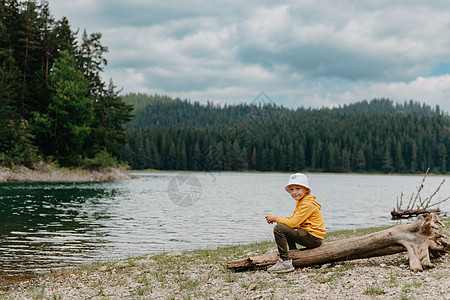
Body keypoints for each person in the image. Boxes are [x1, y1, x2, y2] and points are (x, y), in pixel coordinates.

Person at [265, 173, 326, 273]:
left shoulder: (307, 204)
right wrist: (276, 218)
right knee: (284, 225)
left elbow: (293, 223)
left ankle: (285, 262)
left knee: (279, 228)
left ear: (306, 189)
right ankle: (293, 252)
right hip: (310, 235)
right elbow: (294, 218)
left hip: (313, 238)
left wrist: (276, 219)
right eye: (291, 189)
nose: (294, 192)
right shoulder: (303, 201)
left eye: (298, 188)